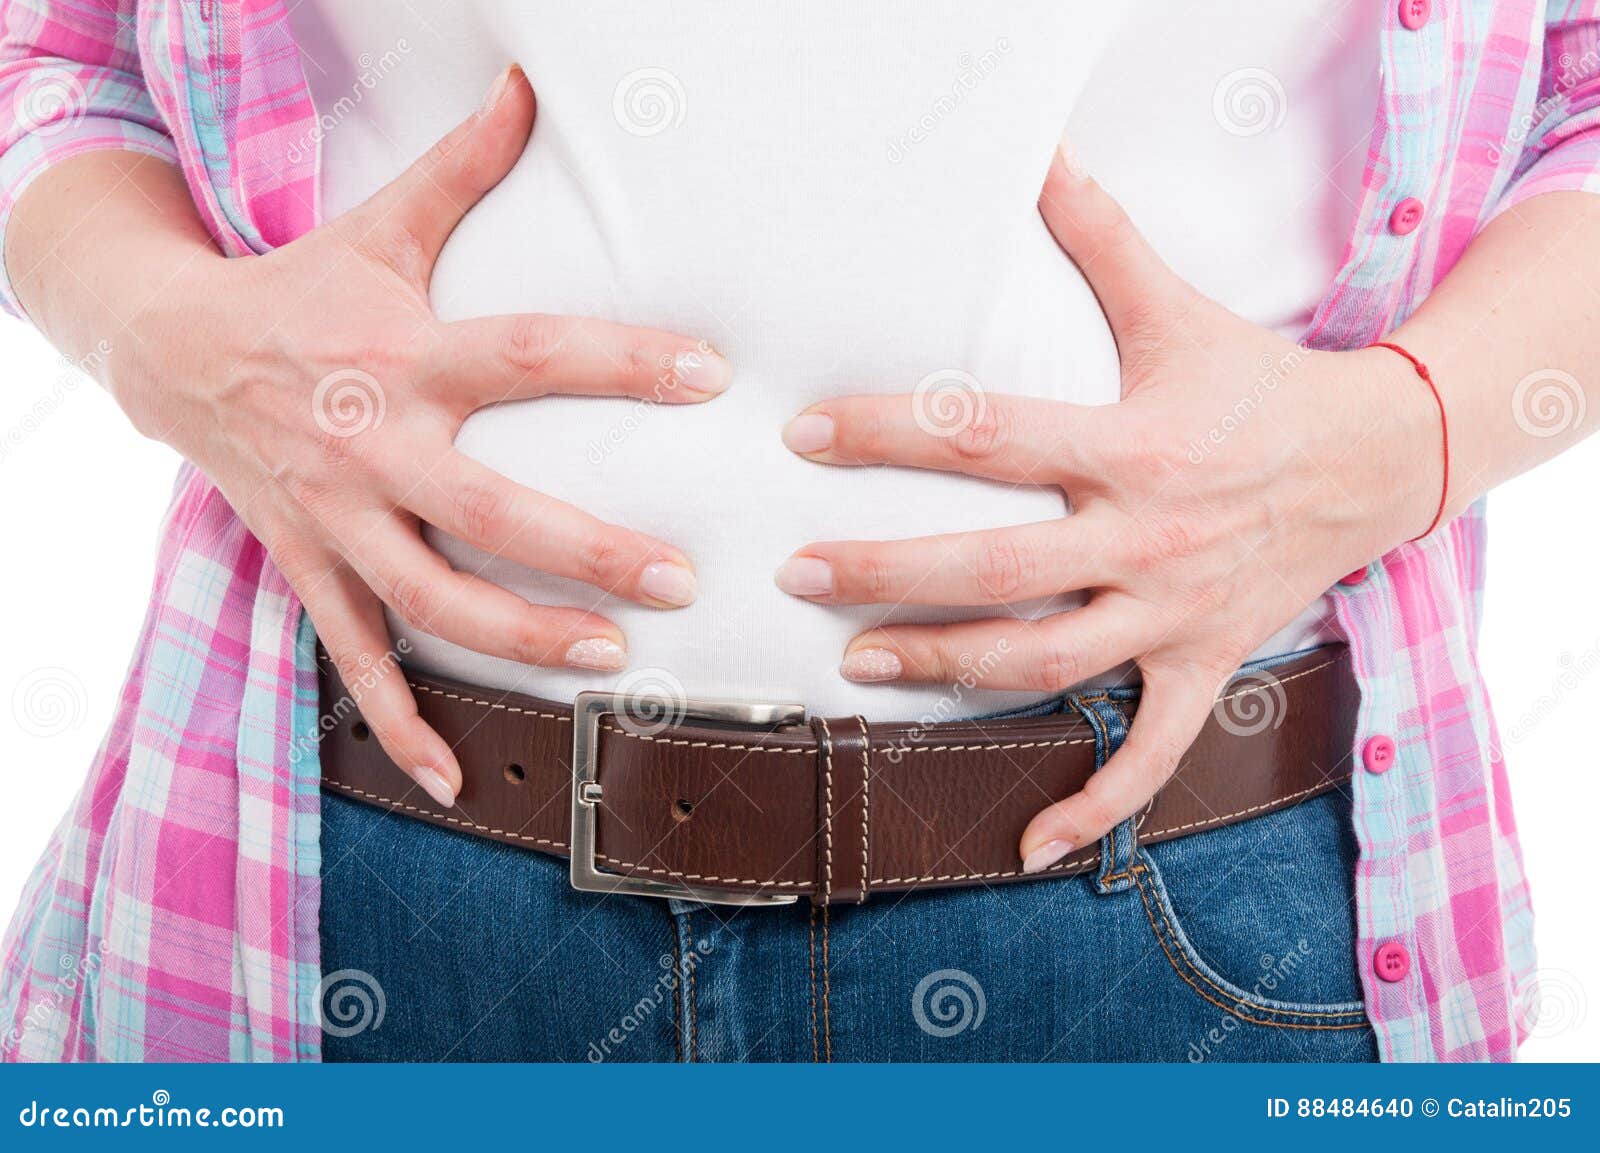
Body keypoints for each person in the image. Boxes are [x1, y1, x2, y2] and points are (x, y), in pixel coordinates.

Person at [1, 0, 1594, 1062]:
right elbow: (50, 44)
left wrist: (1406, 437)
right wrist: (165, 335)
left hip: (1198, 896)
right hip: (364, 869)